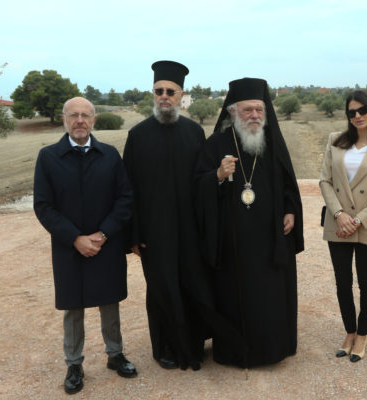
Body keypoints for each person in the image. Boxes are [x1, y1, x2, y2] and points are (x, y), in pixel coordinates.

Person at [195, 77, 304, 368]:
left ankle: (273, 349)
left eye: (259, 109)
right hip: (233, 243)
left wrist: (290, 210)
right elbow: (198, 187)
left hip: (269, 237)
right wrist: (217, 176)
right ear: (233, 112)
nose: (254, 115)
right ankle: (234, 350)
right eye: (247, 110)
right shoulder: (216, 144)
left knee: (269, 297)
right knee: (235, 297)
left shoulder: (273, 143)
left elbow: (288, 184)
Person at [33, 97, 137, 395]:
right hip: (69, 246)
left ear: (94, 120)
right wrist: (75, 238)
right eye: (74, 115)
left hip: (106, 243)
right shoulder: (48, 157)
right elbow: (43, 205)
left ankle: (115, 354)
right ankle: (74, 364)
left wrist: (103, 234)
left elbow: (125, 198)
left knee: (109, 300)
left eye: (85, 115)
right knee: (73, 305)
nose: (80, 121)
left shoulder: (110, 155)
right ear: (64, 119)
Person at [123, 61, 211, 371]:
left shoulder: (195, 133)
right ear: (153, 93)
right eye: (159, 91)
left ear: (180, 95)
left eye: (170, 92)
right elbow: (128, 189)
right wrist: (133, 235)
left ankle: (193, 345)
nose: (164, 96)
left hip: (190, 230)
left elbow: (204, 181)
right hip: (154, 233)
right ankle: (164, 348)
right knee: (161, 290)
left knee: (190, 285)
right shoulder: (137, 135)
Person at [319, 90, 367, 362]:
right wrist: (339, 214)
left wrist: (358, 220)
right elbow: (325, 180)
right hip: (337, 223)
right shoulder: (335, 140)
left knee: (366, 282)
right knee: (342, 282)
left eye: (362, 110)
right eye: (352, 112)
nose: (357, 116)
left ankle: (363, 334)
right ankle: (349, 332)